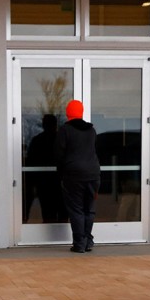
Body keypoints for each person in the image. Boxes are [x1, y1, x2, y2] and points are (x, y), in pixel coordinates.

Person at [55, 100, 100, 253]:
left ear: (68, 113)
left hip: (73, 176)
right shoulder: (91, 130)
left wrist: (60, 174)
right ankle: (87, 241)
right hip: (93, 175)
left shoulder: (65, 130)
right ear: (81, 112)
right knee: (89, 209)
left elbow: (59, 155)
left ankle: (79, 243)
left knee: (76, 210)